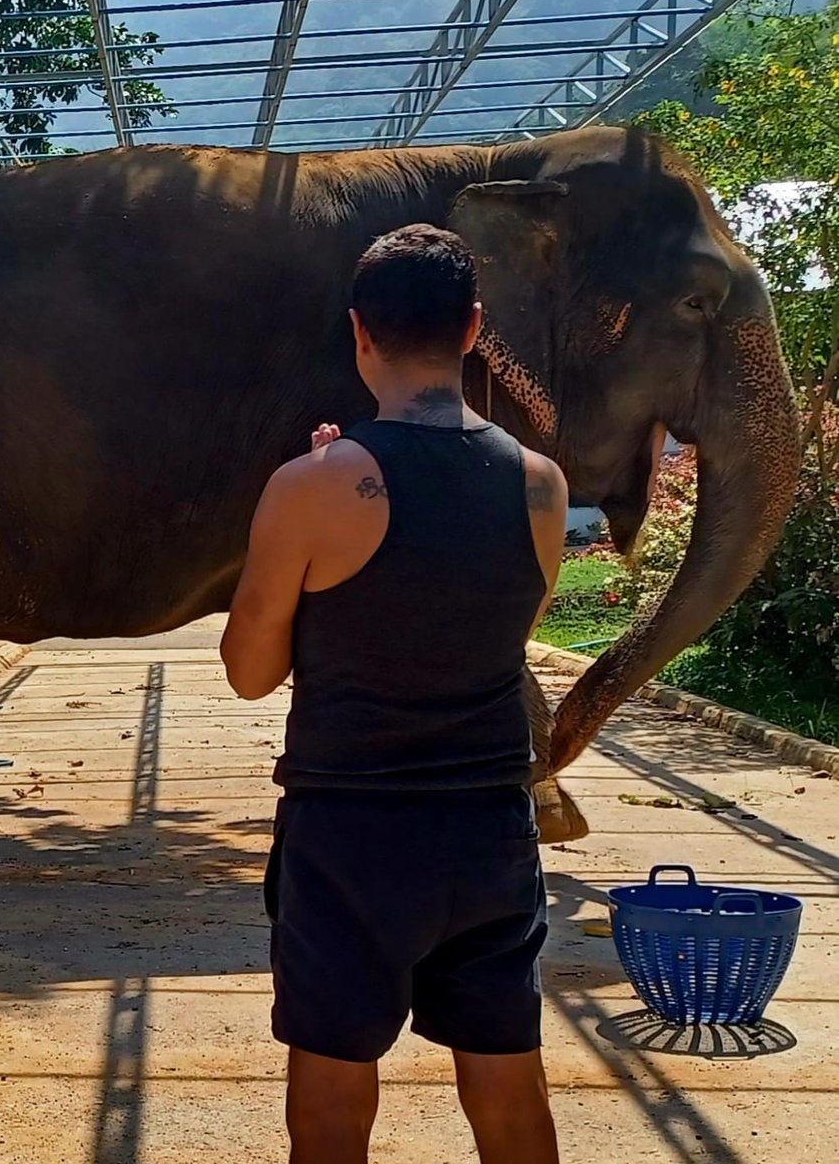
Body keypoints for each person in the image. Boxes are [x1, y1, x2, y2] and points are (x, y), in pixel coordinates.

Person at [220, 224, 567, 1164]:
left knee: (331, 1108)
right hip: (488, 831)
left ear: (359, 334)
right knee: (507, 1081)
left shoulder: (314, 484)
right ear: (472, 330)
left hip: (352, 834)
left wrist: (314, 501)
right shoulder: (538, 484)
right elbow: (495, 637)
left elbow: (249, 673)